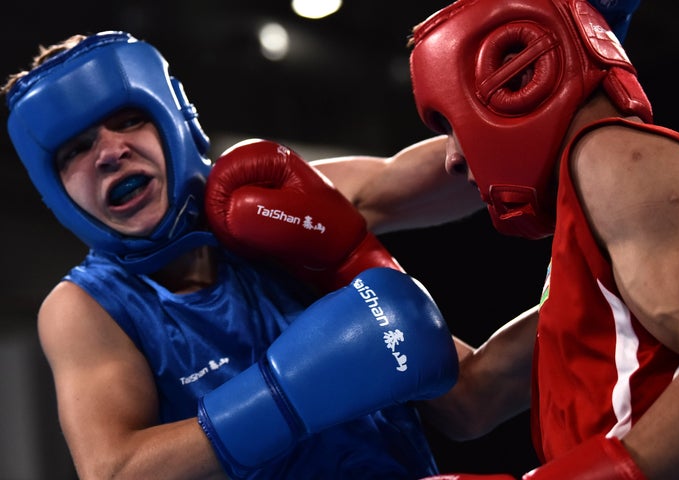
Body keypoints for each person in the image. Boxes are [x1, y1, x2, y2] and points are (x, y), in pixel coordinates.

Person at [2, 31, 465, 479]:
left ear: (176, 120)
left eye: (127, 121)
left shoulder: (269, 201)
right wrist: (285, 397)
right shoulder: (86, 308)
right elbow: (115, 471)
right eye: (78, 149)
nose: (110, 153)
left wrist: (507, 126)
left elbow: (457, 169)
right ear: (56, 191)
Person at [343, 0, 679, 478]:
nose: (452, 160)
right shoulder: (591, 232)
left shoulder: (619, 158)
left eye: (454, 126)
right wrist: (342, 260)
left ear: (521, 82)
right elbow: (473, 400)